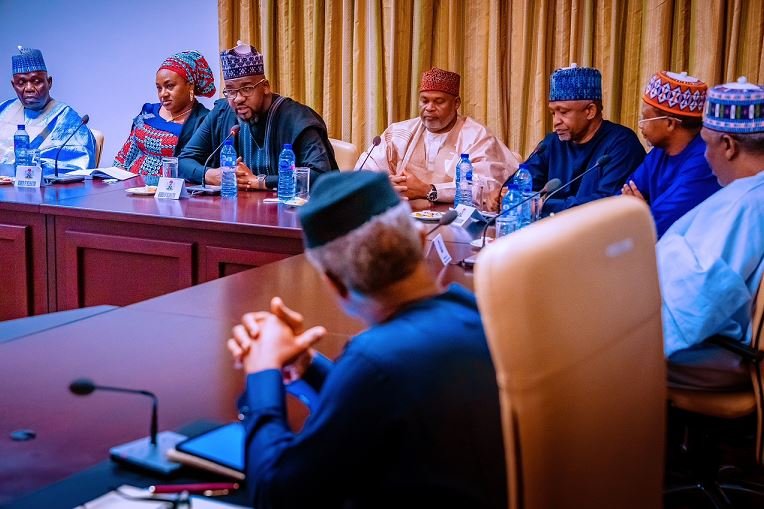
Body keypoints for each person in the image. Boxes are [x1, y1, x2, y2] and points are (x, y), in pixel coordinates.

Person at [226, 171, 507, 508]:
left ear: (334, 284)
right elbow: (382, 406)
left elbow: (276, 495)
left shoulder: (375, 359)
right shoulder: (474, 312)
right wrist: (307, 366)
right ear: (419, 241)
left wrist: (262, 372)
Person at [657, 77, 764, 389]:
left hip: (725, 352)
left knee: (593, 344)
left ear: (729, 146)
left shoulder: (746, 203)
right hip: (724, 341)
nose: (704, 155)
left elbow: (695, 301)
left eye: (706, 143)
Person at [179, 41, 337, 191]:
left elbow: (321, 176)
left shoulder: (297, 119)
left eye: (247, 88)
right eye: (231, 91)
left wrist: (261, 181)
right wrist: (210, 175)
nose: (238, 98)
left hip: (289, 213)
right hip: (236, 212)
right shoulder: (222, 113)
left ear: (265, 87)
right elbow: (183, 161)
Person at [357, 67, 518, 211]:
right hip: (403, 221)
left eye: (438, 101)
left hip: (456, 225)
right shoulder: (399, 132)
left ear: (456, 103)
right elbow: (362, 175)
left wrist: (428, 190)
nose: (429, 108)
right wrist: (383, 185)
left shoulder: (477, 137)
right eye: (424, 101)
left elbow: (487, 189)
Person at [524, 64, 645, 215]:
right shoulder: (552, 142)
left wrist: (544, 205)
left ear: (590, 111)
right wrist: (504, 193)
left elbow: (606, 203)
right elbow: (525, 181)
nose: (556, 121)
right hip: (550, 232)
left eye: (563, 112)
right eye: (553, 113)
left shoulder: (622, 144)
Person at [621, 71, 720, 238]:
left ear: (669, 123)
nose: (641, 125)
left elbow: (661, 224)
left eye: (645, 118)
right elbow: (623, 198)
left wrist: (640, 213)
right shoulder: (658, 152)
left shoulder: (705, 160)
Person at [114, 50, 216, 183]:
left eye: (170, 86)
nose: (163, 94)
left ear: (190, 86)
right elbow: (124, 156)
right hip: (132, 188)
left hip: (171, 192)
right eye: (159, 88)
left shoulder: (203, 121)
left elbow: (197, 169)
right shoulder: (149, 111)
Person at [0, 46, 95, 172]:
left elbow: (78, 165)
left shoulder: (66, 118)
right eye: (21, 83)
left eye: (36, 81)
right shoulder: (4, 109)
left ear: (49, 82)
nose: (28, 88)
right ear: (13, 85)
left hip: (44, 189)